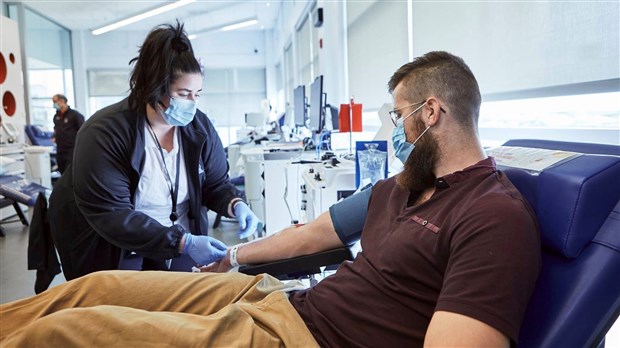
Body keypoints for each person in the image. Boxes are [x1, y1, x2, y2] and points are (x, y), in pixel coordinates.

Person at [1, 51, 540, 347]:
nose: (390, 129)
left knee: (62, 334)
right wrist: (228, 258)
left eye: (395, 114)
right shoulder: (398, 188)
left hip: (296, 338)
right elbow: (308, 235)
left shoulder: (492, 216)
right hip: (276, 300)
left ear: (429, 113)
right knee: (95, 288)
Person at [46, 21, 261, 281]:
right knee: (123, 313)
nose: (192, 104)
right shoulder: (104, 132)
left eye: (198, 94)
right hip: (113, 244)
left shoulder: (199, 127)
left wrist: (234, 203)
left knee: (180, 305)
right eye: (183, 93)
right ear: (154, 87)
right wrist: (183, 242)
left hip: (177, 238)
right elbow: (113, 215)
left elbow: (215, 183)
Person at [51, 94, 85, 173]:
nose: (54, 104)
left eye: (55, 102)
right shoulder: (56, 116)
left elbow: (82, 130)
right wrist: (54, 136)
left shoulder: (75, 115)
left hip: (72, 149)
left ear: (62, 101)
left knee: (69, 173)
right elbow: (56, 129)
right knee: (61, 171)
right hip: (60, 149)